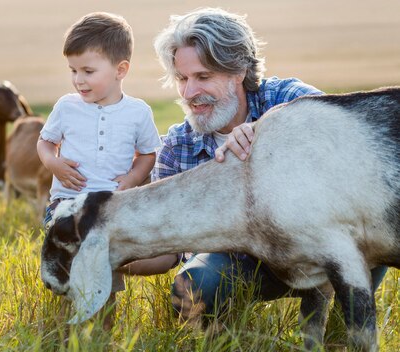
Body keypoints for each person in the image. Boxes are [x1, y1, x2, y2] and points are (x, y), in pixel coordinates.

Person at [147, 7, 388, 324]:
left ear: (238, 73)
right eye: (182, 78)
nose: (189, 92)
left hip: (322, 249)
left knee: (375, 215)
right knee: (192, 287)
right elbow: (167, 250)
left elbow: (351, 142)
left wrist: (269, 133)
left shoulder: (286, 99)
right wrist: (109, 246)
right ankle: (232, 338)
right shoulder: (177, 148)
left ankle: (342, 335)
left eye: (203, 77)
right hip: (241, 264)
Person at [37, 12, 162, 328]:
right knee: (73, 264)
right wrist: (53, 163)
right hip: (65, 205)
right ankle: (64, 328)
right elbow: (45, 143)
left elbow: (148, 154)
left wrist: (132, 178)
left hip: (109, 208)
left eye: (88, 71)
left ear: (121, 70)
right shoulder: (67, 107)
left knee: (103, 269)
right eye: (73, 71)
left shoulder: (137, 112)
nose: (78, 80)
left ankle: (101, 332)